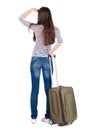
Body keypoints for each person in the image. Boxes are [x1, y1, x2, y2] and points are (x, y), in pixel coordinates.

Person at [18, 7, 63, 124]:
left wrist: (32, 9)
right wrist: (52, 51)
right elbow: (60, 41)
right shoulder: (54, 29)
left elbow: (20, 18)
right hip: (47, 61)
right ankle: (48, 116)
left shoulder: (36, 27)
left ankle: (33, 117)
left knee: (34, 89)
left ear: (40, 16)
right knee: (48, 90)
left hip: (35, 61)